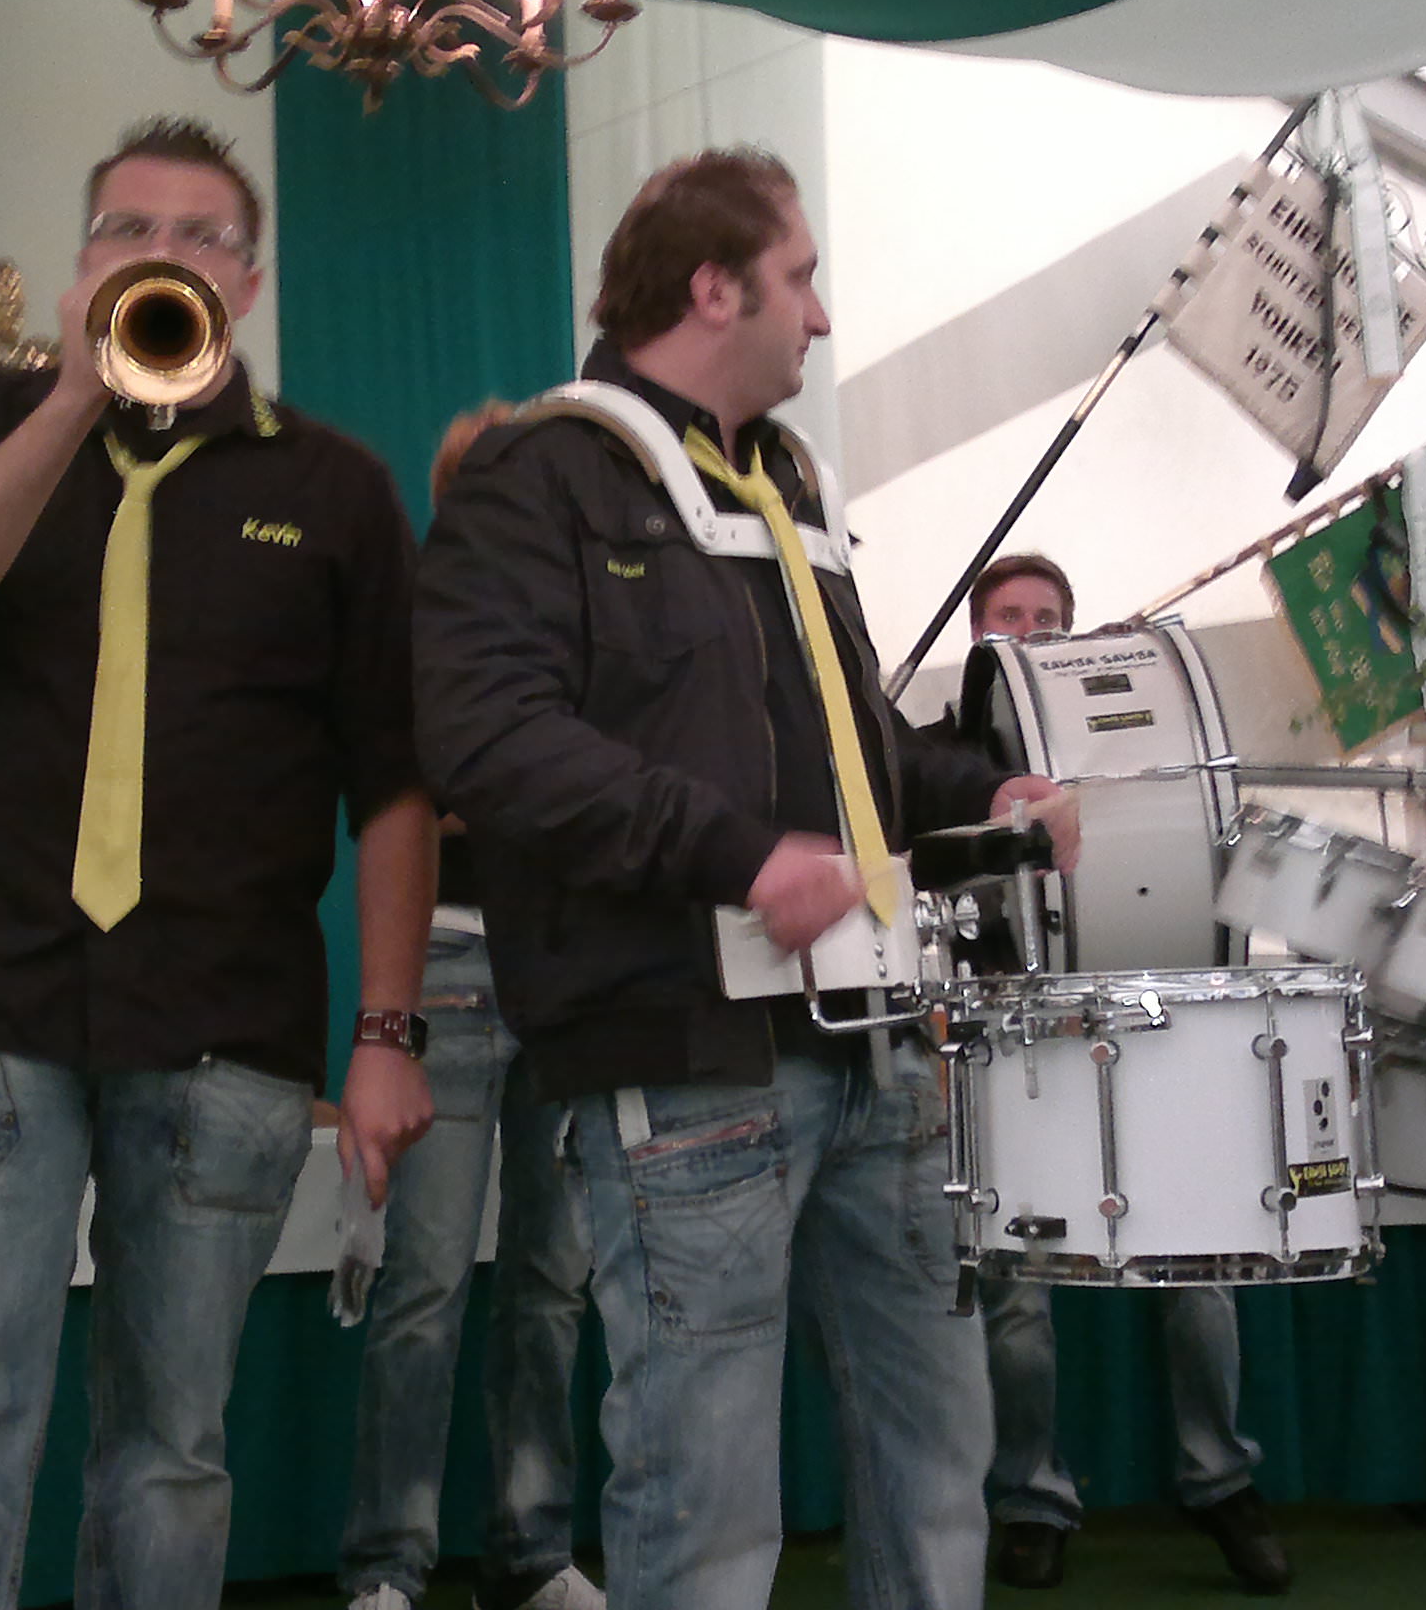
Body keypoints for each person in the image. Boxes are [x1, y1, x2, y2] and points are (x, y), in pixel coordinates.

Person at [416, 146, 1076, 1609]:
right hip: (687, 1058)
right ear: (714, 289)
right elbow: (489, 738)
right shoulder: (539, 476)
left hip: (881, 1050)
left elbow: (855, 740)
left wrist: (986, 793)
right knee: (703, 1497)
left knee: (938, 1458)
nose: (822, 316)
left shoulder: (786, 477)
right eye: (801, 279)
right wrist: (736, 854)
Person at [0, 117, 435, 1610]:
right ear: (81, 258)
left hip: (223, 1019)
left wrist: (386, 1032)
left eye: (200, 236)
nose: (161, 254)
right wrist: (67, 402)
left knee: (171, 1453)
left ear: (250, 283)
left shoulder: (339, 486)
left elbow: (395, 787)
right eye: (127, 230)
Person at [943, 551, 1287, 1597]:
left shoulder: (1134, 750)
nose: (1030, 631)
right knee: (1017, 1297)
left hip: (1149, 1026)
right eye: (1010, 616)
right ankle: (1031, 1497)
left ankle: (1220, 1478)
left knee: (1200, 1270)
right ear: (979, 638)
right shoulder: (940, 758)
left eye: (1048, 616)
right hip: (1019, 1041)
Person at [338, 406, 601, 1610]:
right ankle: (388, 1562)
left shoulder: (593, 618)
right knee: (427, 1281)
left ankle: (534, 1548)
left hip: (571, 971)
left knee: (551, 1279)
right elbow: (411, 797)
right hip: (448, 956)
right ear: (452, 503)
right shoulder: (418, 621)